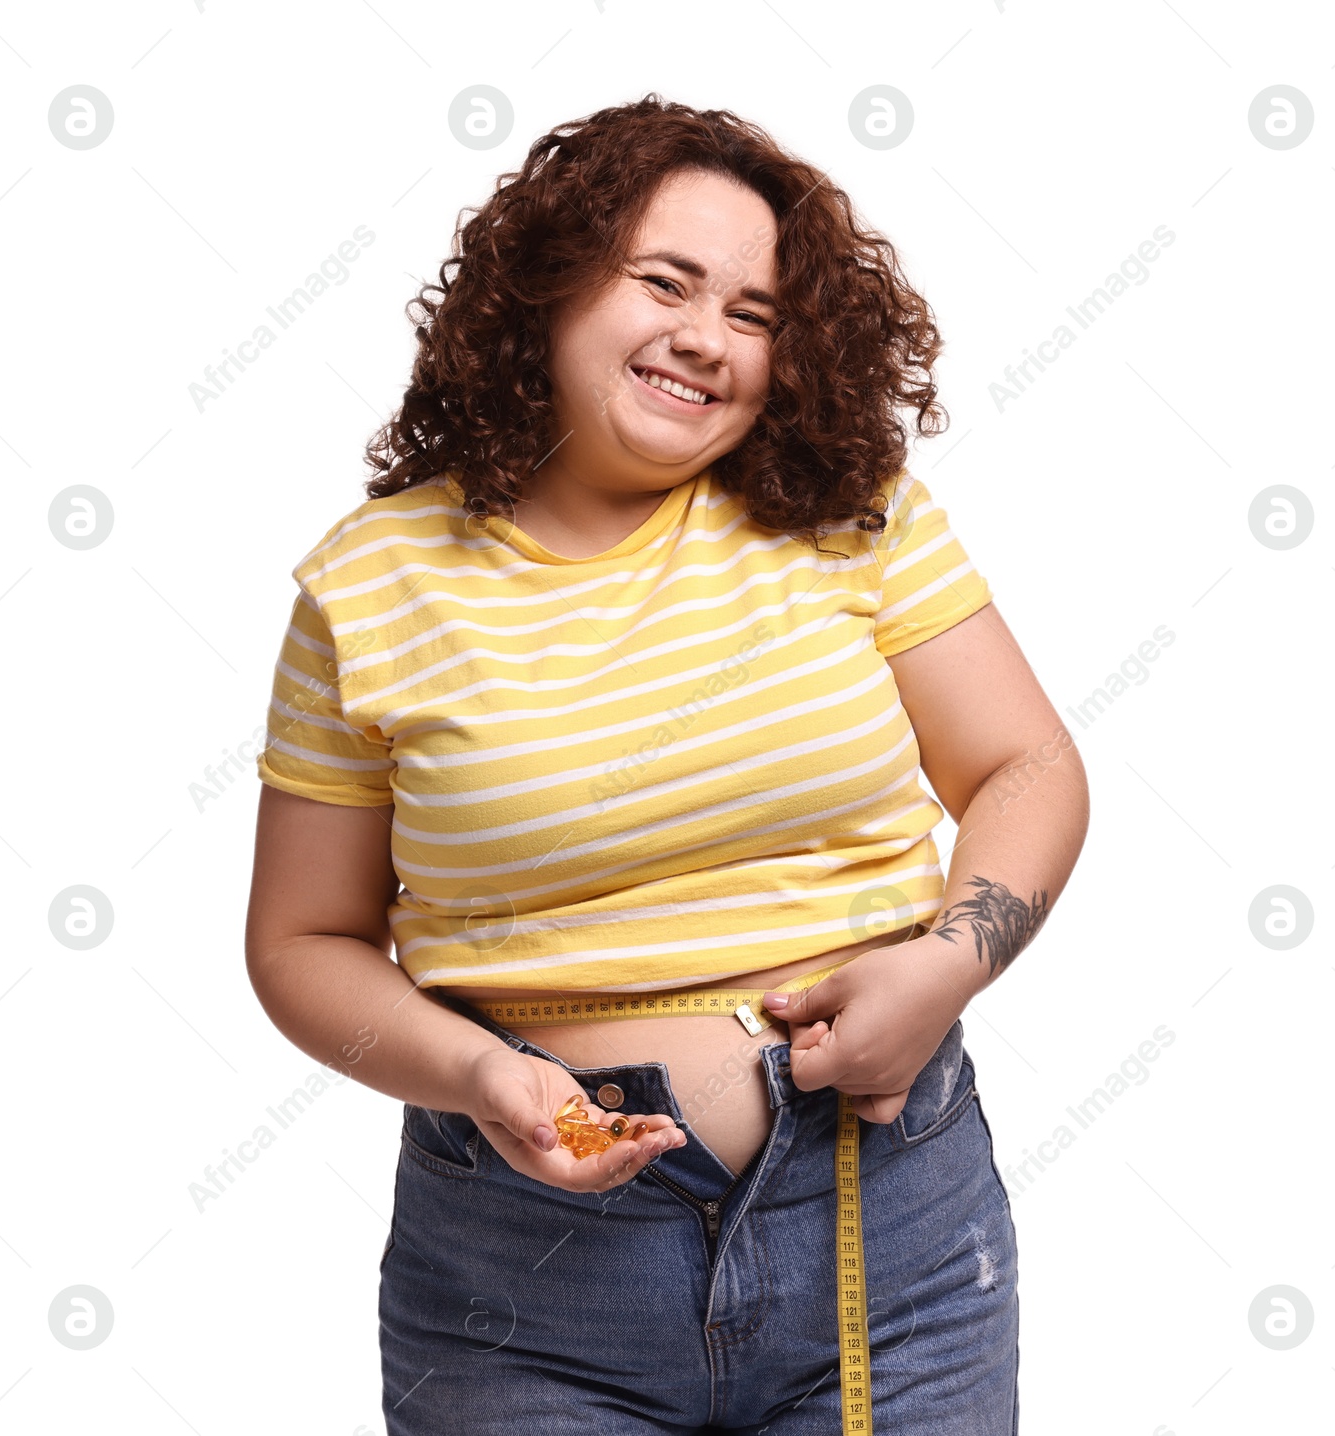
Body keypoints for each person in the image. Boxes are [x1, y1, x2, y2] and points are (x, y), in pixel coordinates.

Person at [246, 93, 1088, 1435]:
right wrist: (481, 1079)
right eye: (666, 282)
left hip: (892, 1234)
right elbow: (302, 942)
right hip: (526, 1288)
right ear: (551, 285)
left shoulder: (845, 516)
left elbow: (1027, 766)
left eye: (755, 314)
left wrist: (949, 964)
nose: (707, 337)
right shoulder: (374, 584)